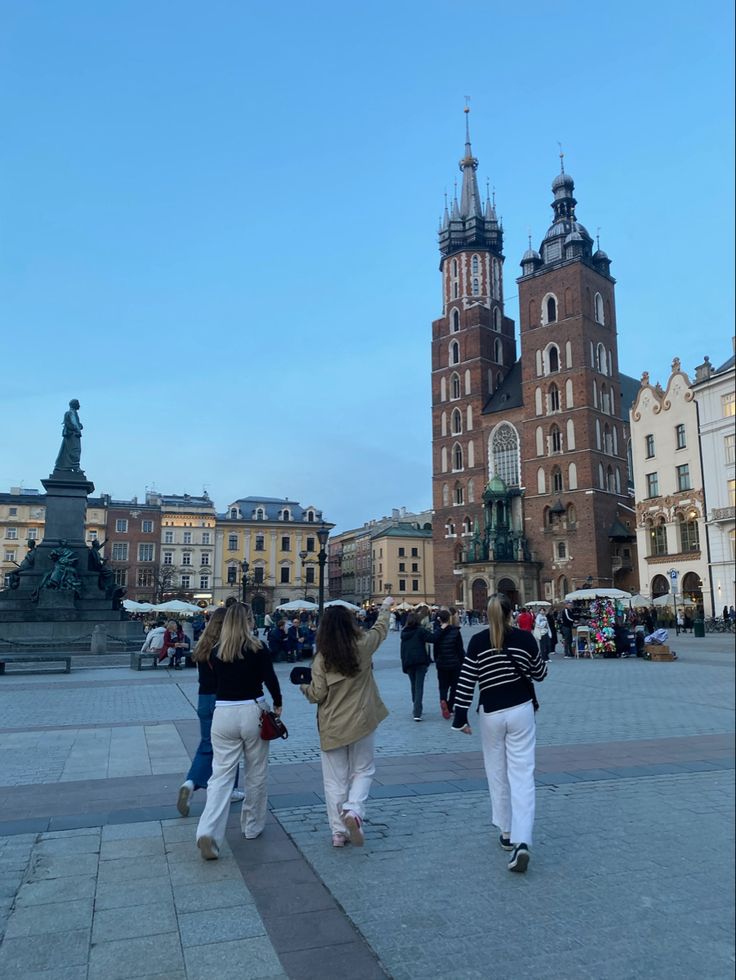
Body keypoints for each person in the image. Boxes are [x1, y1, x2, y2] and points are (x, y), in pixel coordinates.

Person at [452, 593, 547, 873]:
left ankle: (506, 832)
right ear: (511, 613)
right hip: (520, 709)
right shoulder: (525, 639)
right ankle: (522, 841)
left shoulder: (478, 641)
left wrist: (460, 717)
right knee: (522, 774)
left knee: (497, 773)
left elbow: (466, 679)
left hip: (491, 713)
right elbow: (540, 674)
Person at [300, 596, 393, 847]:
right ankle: (354, 810)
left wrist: (304, 688)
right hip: (362, 720)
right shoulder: (362, 645)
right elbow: (380, 630)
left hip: (332, 725)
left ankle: (338, 832)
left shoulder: (321, 659)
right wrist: (384, 609)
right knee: (363, 770)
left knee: (334, 780)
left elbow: (317, 694)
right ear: (351, 624)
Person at [195, 602, 282, 860]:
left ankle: (208, 830)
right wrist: (278, 702)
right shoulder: (258, 648)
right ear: (247, 621)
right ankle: (252, 827)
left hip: (223, 713)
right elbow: (270, 679)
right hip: (252, 709)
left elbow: (210, 684)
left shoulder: (214, 652)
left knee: (220, 776)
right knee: (256, 771)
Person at [177, 608, 243, 817]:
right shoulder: (226, 647)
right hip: (223, 700)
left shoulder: (203, 644)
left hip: (203, 699)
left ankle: (190, 782)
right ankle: (230, 789)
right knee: (231, 746)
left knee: (207, 744)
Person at [400, 610, 435, 721]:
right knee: (419, 686)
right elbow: (433, 638)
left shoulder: (404, 633)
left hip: (409, 662)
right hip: (420, 662)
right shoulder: (420, 631)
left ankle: (415, 705)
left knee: (413, 685)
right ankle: (417, 712)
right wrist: (442, 629)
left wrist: (404, 663)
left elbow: (402, 650)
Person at [433, 608, 465, 718]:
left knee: (443, 686)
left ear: (439, 620)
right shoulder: (456, 631)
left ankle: (443, 700)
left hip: (442, 663)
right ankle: (450, 707)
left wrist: (437, 659)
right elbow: (460, 649)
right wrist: (462, 661)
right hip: (455, 664)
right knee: (454, 687)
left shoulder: (437, 632)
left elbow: (435, 649)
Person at [54, 398, 83, 472]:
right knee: (74, 450)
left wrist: (79, 426)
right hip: (72, 435)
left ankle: (68, 466)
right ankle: (75, 466)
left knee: (67, 451)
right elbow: (74, 424)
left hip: (73, 435)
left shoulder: (73, 413)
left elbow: (76, 423)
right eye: (78, 404)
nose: (79, 405)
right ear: (75, 404)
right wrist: (78, 429)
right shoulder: (70, 413)